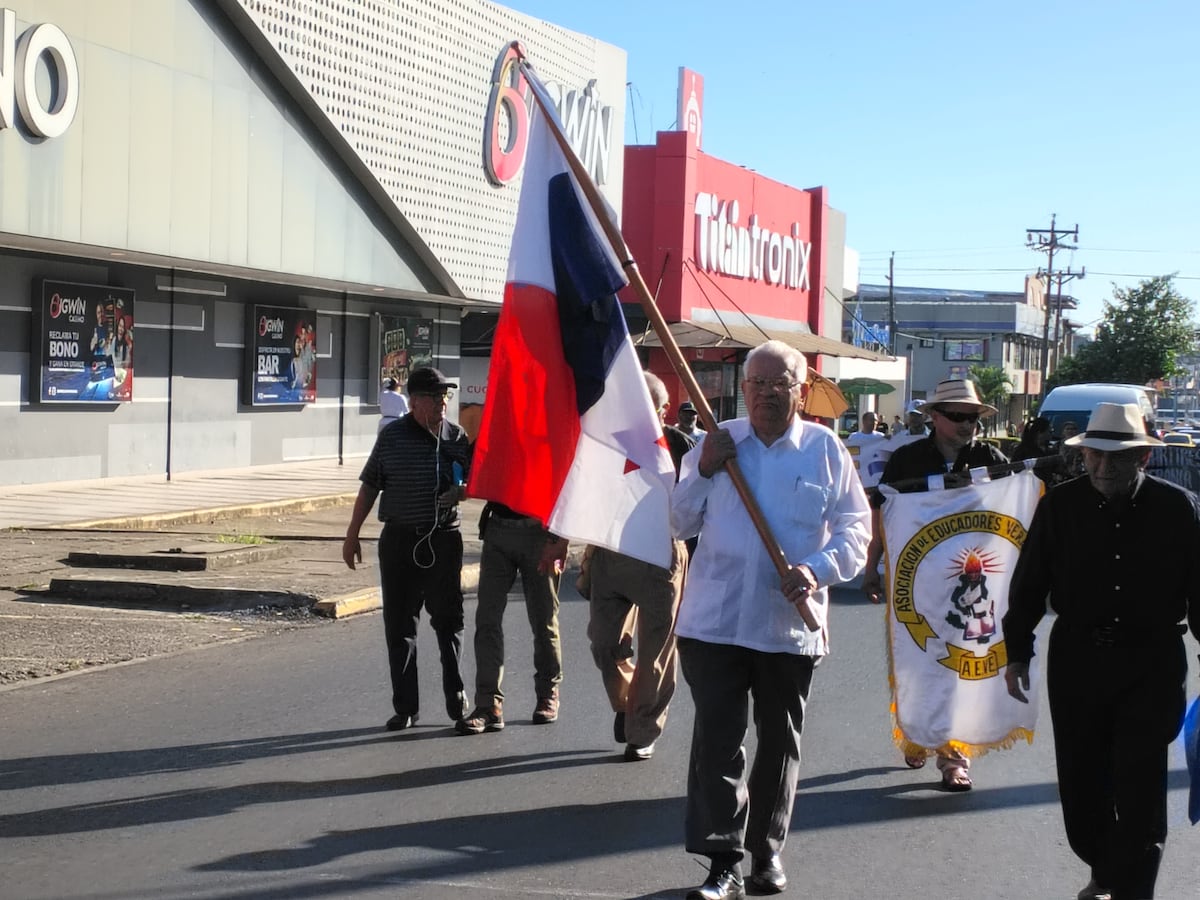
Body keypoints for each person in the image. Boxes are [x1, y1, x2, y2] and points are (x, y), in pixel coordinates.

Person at [671, 340, 870, 899]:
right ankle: (721, 862)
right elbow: (676, 518)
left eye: (776, 383)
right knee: (718, 741)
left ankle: (766, 852)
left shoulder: (825, 451)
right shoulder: (720, 442)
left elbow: (856, 531)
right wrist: (704, 471)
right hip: (715, 623)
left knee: (779, 741)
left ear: (800, 391)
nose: (762, 394)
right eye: (754, 383)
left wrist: (817, 569)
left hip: (788, 624)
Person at [1004, 403, 1200, 900]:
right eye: (1094, 455)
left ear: (1144, 459)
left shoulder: (1180, 509)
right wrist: (1018, 650)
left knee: (1140, 789)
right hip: (1078, 661)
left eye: (1117, 458)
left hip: (1151, 663)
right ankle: (1109, 870)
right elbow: (1029, 584)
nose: (1103, 467)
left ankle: (1133, 889)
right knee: (1082, 790)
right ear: (1083, 453)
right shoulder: (1059, 507)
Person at [862, 379, 1008, 791]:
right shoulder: (907, 460)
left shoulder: (992, 459)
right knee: (917, 661)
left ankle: (953, 757)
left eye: (974, 417)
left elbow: (1010, 510)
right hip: (916, 580)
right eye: (959, 416)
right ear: (935, 418)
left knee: (960, 668)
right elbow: (884, 518)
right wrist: (871, 567)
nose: (968, 425)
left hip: (972, 583)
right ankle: (918, 732)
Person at [342, 367, 472, 731]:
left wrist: (460, 492)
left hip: (443, 539)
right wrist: (352, 534)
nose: (442, 404)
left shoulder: (456, 437)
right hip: (399, 540)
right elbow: (370, 485)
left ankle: (457, 697)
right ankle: (406, 707)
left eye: (445, 397)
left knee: (449, 622)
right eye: (435, 397)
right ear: (414, 402)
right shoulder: (393, 437)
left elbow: (473, 480)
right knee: (400, 626)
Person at [587, 372, 693, 762]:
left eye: (647, 402)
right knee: (603, 642)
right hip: (612, 552)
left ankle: (643, 730)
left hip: (661, 554)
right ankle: (626, 701)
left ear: (663, 409)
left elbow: (697, 499)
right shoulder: (604, 440)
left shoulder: (681, 445)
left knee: (657, 652)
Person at [457, 502, 568, 734]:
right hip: (497, 528)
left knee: (543, 618)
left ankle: (548, 691)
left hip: (539, 529)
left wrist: (561, 539)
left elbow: (566, 479)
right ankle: (488, 704)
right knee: (487, 619)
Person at [1011, 416, 1063, 485]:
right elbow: (1015, 469)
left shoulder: (1051, 450)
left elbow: (1057, 469)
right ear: (1039, 433)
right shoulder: (1023, 450)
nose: (1051, 434)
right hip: (1028, 487)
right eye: (1049, 431)